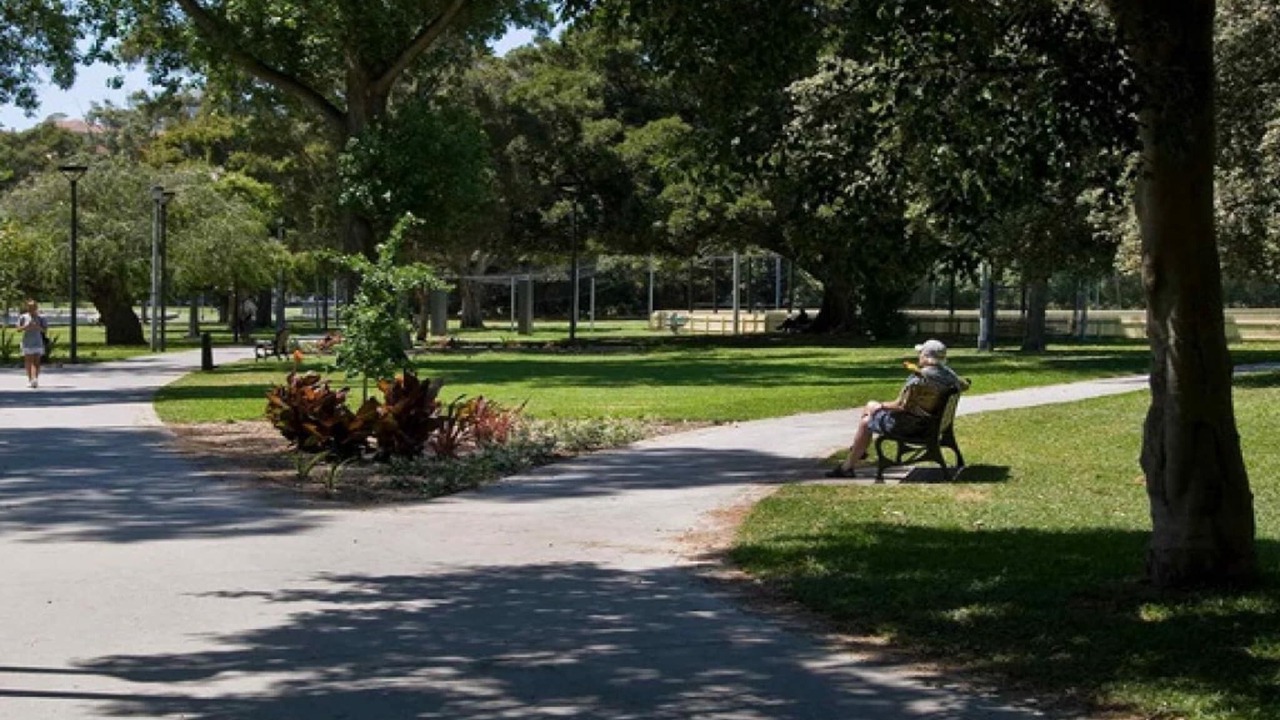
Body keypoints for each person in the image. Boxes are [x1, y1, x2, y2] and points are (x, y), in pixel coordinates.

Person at [826, 339, 970, 478]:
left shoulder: (920, 379)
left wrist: (880, 406)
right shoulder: (949, 375)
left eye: (920, 353)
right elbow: (965, 384)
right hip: (931, 424)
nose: (918, 356)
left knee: (866, 419)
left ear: (926, 357)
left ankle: (849, 465)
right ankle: (857, 452)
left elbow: (901, 405)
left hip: (913, 427)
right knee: (870, 408)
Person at [17, 299, 48, 388]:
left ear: (36, 307)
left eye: (33, 307)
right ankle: (30, 379)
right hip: (27, 342)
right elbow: (18, 329)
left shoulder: (41, 318)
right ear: (27, 307)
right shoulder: (23, 317)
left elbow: (45, 329)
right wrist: (26, 327)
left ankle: (35, 379)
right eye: (30, 307)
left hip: (38, 341)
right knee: (28, 361)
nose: (32, 309)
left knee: (36, 361)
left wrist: (37, 327)